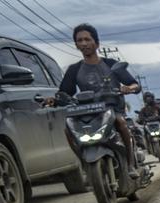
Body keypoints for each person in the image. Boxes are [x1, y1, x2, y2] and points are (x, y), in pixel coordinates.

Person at [54, 24, 141, 177]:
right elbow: (64, 93)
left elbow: (134, 84)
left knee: (121, 123)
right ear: (76, 45)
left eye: (87, 39)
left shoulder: (110, 64)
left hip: (113, 109)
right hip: (87, 112)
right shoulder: (74, 69)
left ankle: (130, 164)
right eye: (79, 40)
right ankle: (85, 165)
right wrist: (53, 100)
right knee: (68, 130)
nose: (83, 43)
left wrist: (129, 88)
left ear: (97, 43)